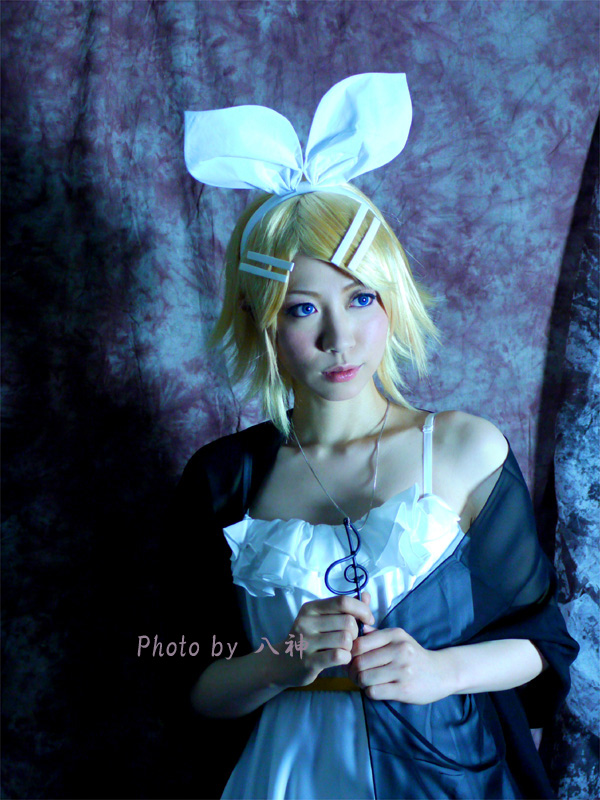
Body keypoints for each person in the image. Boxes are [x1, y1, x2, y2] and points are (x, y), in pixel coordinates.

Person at [165, 74, 578, 799]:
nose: (340, 337)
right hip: (284, 779)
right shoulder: (224, 478)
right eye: (302, 309)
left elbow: (544, 644)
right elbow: (188, 678)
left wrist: (441, 670)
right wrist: (282, 661)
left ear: (392, 298)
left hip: (450, 776)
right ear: (260, 322)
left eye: (360, 298)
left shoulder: (464, 450)